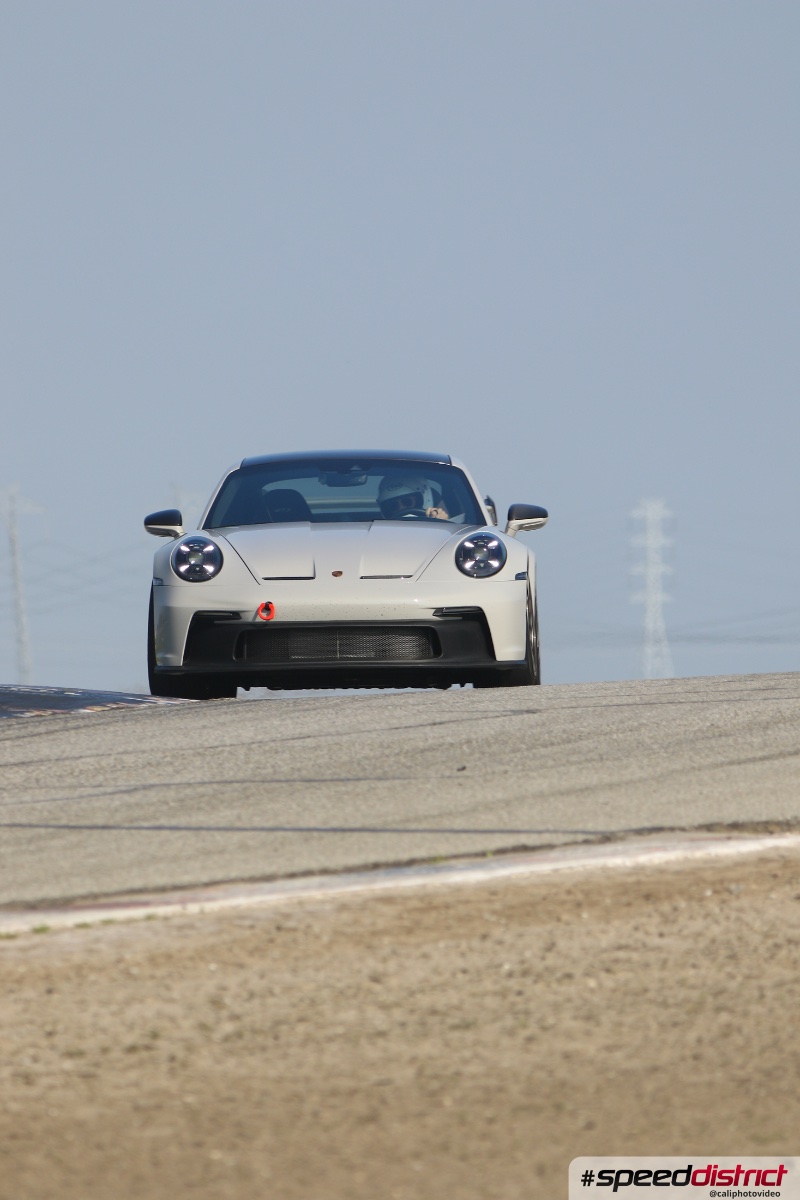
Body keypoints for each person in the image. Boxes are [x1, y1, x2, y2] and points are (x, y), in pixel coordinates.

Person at [376, 473, 450, 520]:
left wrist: (441, 521)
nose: (401, 508)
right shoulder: (380, 532)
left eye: (407, 501)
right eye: (392, 505)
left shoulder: (444, 529)